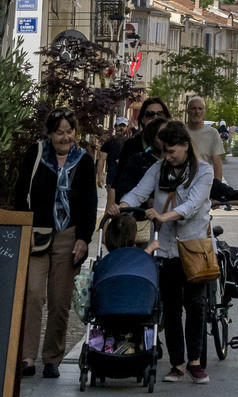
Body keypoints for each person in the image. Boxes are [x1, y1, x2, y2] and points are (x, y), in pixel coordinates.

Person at [120, 119, 216, 383]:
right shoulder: (159, 168)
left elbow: (193, 206)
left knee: (195, 305)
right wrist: (122, 205)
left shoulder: (204, 171)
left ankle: (195, 360)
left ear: (185, 146)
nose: (167, 156)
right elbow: (139, 193)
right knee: (171, 308)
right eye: (164, 151)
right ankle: (177, 363)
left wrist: (163, 217)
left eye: (172, 151)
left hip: (194, 246)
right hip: (166, 249)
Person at [15, 111, 97, 380]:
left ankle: (52, 359)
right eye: (60, 131)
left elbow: (89, 202)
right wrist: (24, 227)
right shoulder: (36, 153)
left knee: (60, 302)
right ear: (50, 133)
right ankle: (27, 357)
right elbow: (20, 192)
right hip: (36, 235)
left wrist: (84, 237)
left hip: (68, 236)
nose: (65, 137)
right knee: (33, 294)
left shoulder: (83, 160)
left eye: (69, 131)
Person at [105, 96, 171, 234]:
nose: (155, 118)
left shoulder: (176, 147)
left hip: (167, 217)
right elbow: (119, 183)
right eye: (150, 114)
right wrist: (113, 211)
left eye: (160, 114)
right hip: (135, 214)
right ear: (142, 118)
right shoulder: (133, 147)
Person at [184, 94, 226, 184]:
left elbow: (217, 164)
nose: (197, 112)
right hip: (182, 183)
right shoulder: (181, 131)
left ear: (204, 112)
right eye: (193, 108)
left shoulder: (213, 133)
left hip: (203, 182)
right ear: (188, 111)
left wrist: (217, 188)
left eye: (200, 108)